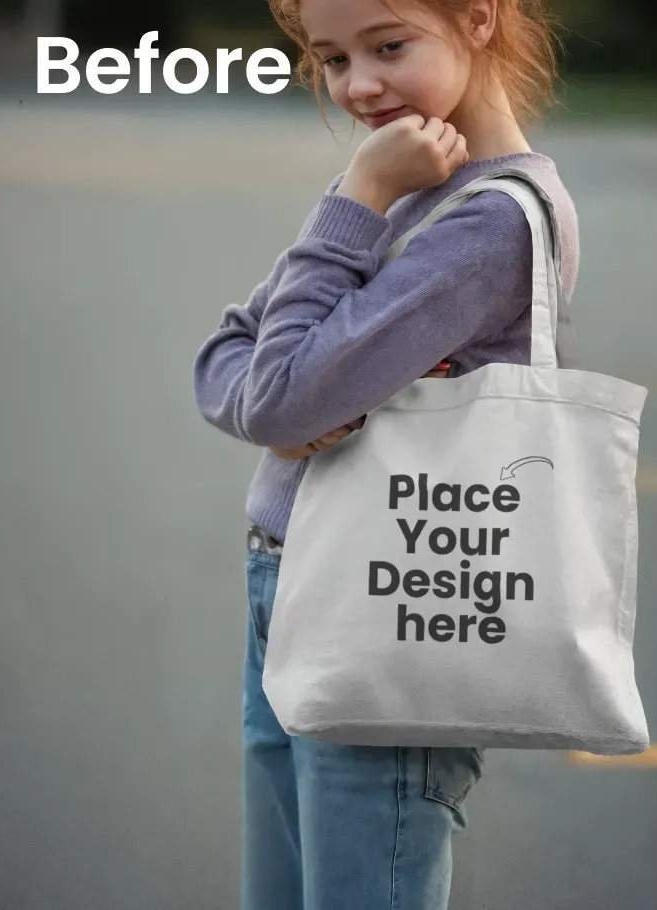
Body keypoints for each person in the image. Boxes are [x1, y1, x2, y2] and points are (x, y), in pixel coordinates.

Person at [191, 1, 575, 906]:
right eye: (330, 58)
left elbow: (275, 392)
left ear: (479, 18)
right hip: (289, 587)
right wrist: (277, 403)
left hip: (390, 607)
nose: (357, 84)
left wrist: (355, 201)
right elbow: (226, 361)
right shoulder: (408, 179)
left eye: (388, 46)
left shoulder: (490, 225)